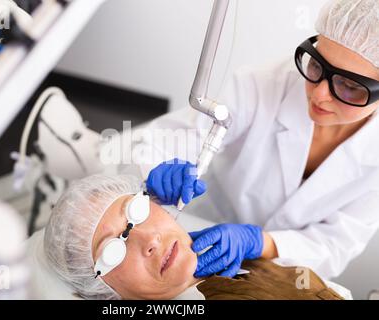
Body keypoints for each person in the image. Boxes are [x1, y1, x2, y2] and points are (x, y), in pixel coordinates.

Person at [140, 0, 379, 280]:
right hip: (201, 226)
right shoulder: (262, 84)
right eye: (316, 65)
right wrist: (160, 169)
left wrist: (260, 242)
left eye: (350, 87)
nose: (319, 95)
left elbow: (335, 244)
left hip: (285, 271)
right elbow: (172, 139)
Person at [42, 174, 344, 300]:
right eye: (112, 250)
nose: (149, 241)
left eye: (135, 211)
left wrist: (262, 243)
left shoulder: (247, 262)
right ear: (101, 290)